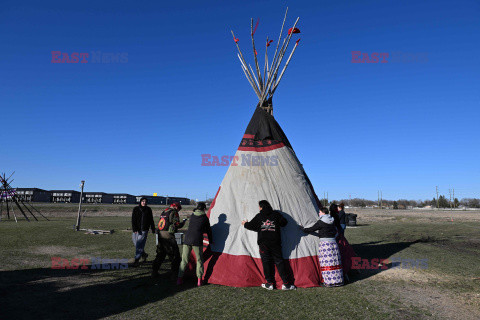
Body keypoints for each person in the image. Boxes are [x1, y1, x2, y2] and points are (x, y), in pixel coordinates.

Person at [242, 200, 296, 290]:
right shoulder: (276, 214)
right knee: (279, 262)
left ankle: (269, 283)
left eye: (259, 206)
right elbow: (284, 223)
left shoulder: (259, 216)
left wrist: (245, 224)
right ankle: (286, 284)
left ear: (261, 207)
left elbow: (251, 225)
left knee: (266, 262)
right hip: (275, 243)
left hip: (263, 243)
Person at [300, 207, 344, 287]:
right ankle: (338, 280)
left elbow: (312, 229)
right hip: (333, 243)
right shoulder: (332, 220)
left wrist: (303, 229)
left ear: (323, 213)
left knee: (326, 262)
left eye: (319, 212)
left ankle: (329, 282)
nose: (319, 213)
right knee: (335, 261)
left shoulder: (321, 222)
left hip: (325, 244)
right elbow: (338, 230)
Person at [177, 202, 213, 286]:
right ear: (204, 209)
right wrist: (211, 240)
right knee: (199, 260)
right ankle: (199, 280)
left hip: (187, 239)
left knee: (184, 260)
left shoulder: (192, 215)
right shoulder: (204, 217)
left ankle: (179, 278)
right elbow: (208, 230)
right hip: (197, 240)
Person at [152, 202, 186, 278]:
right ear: (176, 207)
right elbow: (176, 224)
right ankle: (175, 274)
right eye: (179, 208)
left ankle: (154, 272)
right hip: (168, 236)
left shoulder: (164, 211)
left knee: (160, 254)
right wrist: (183, 223)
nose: (179, 210)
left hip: (160, 235)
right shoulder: (174, 212)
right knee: (174, 255)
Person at [131, 197, 155, 267]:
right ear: (140, 202)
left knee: (139, 244)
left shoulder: (148, 209)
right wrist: (134, 229)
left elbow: (151, 219)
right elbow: (133, 219)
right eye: (143, 201)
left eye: (145, 201)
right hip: (136, 230)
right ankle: (144, 254)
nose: (144, 202)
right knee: (136, 244)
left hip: (144, 230)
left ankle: (136, 260)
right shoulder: (136, 209)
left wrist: (153, 228)